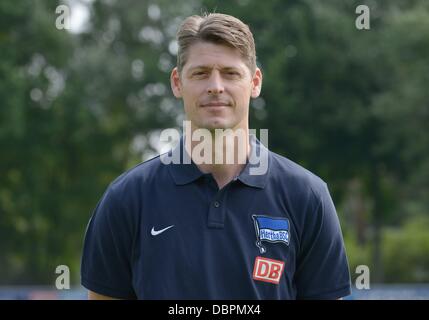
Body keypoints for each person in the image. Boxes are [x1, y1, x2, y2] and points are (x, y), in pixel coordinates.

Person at [81, 13, 351, 300]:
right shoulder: (127, 198)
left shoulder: (307, 196)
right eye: (200, 73)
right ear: (177, 82)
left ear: (255, 82)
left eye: (230, 73)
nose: (216, 86)